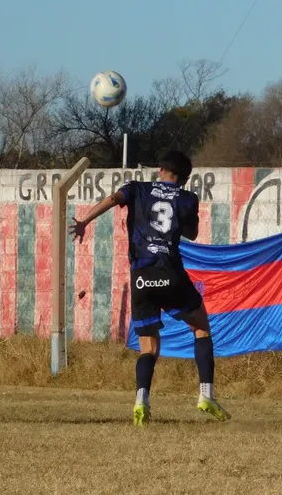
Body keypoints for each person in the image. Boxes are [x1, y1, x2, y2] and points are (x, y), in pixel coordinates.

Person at [69, 151, 231, 426]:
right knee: (201, 328)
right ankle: (206, 395)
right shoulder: (187, 198)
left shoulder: (137, 188)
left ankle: (141, 401)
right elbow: (191, 234)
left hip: (141, 277)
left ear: (160, 169)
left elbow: (112, 199)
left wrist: (85, 221)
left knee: (148, 347)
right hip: (170, 272)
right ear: (184, 178)